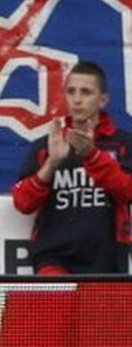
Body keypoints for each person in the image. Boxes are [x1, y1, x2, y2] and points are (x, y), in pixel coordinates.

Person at [12, 61, 132, 274]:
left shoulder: (123, 144)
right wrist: (52, 163)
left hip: (107, 259)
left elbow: (128, 191)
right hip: (53, 258)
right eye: (71, 91)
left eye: (86, 92)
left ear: (103, 100)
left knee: (104, 309)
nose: (77, 100)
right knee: (54, 307)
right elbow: (22, 203)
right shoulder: (48, 144)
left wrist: (92, 155)